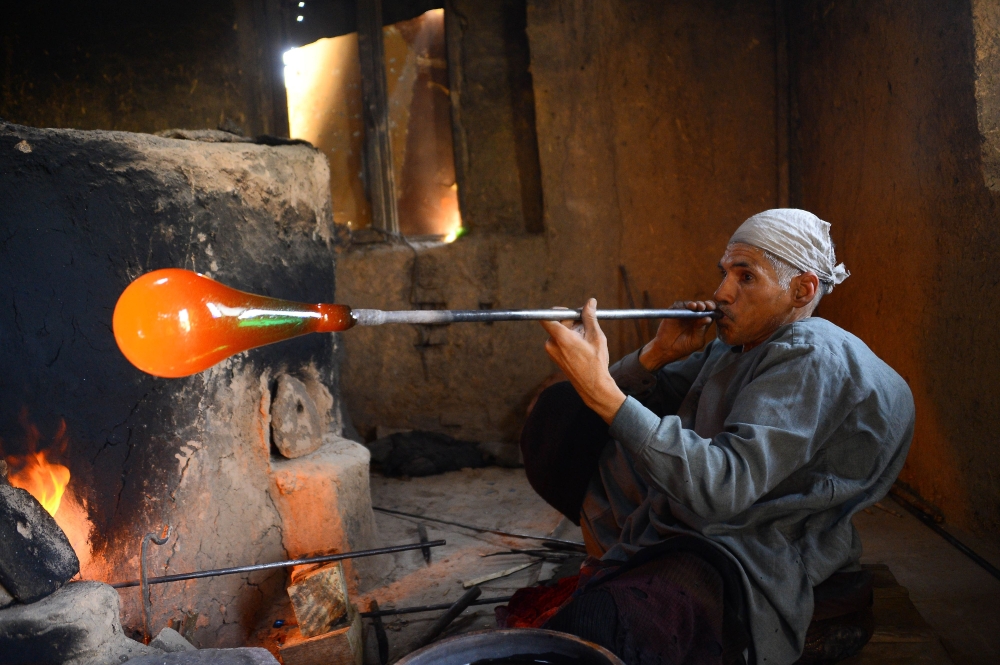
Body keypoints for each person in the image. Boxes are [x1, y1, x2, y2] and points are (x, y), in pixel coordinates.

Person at [520, 209, 915, 665]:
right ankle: (617, 565)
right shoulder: (738, 345)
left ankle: (630, 584)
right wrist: (656, 354)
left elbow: (723, 488)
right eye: (725, 272)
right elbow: (653, 401)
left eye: (746, 277)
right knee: (563, 416)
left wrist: (603, 390)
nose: (722, 292)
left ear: (802, 289)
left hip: (746, 537)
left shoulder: (810, 357)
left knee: (598, 628)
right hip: (691, 511)